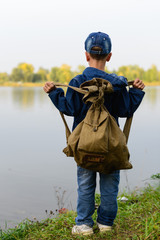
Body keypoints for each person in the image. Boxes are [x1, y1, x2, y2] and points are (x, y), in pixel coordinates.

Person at [43, 32, 145, 236]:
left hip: (85, 145)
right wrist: (136, 91)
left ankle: (84, 225)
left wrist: (54, 92)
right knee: (109, 187)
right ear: (109, 56)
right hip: (110, 145)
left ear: (86, 54)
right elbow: (126, 111)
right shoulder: (117, 84)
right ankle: (106, 224)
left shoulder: (78, 81)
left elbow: (69, 108)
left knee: (85, 185)